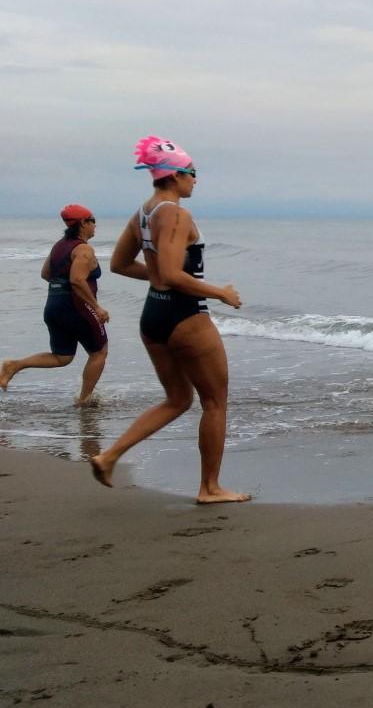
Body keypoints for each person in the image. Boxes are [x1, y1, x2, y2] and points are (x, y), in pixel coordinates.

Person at [91, 136, 248, 504]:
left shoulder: (144, 212)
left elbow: (120, 264)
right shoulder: (176, 214)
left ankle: (109, 456)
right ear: (174, 176)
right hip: (185, 316)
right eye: (191, 173)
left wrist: (160, 279)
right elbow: (174, 274)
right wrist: (219, 292)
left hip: (154, 316)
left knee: (177, 399)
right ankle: (210, 488)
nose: (195, 179)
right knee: (214, 402)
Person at [1, 204, 110, 406]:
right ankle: (84, 401)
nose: (95, 225)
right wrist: (97, 307)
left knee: (62, 357)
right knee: (99, 352)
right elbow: (77, 280)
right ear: (83, 223)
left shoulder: (59, 246)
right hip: (76, 307)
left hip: (54, 305)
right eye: (93, 220)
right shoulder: (84, 249)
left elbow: (45, 274)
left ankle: (14, 365)